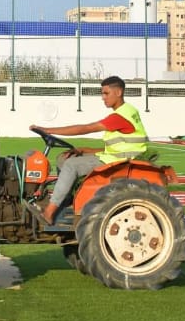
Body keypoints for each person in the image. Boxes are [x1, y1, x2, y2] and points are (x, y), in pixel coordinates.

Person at [27, 75, 149, 224]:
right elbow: (118, 146)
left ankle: (49, 212)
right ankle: (65, 200)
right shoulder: (128, 111)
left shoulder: (119, 116)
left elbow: (85, 128)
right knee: (64, 158)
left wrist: (47, 129)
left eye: (106, 93)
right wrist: (85, 149)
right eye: (102, 93)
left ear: (118, 92)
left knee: (71, 165)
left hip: (119, 162)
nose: (103, 97)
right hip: (118, 157)